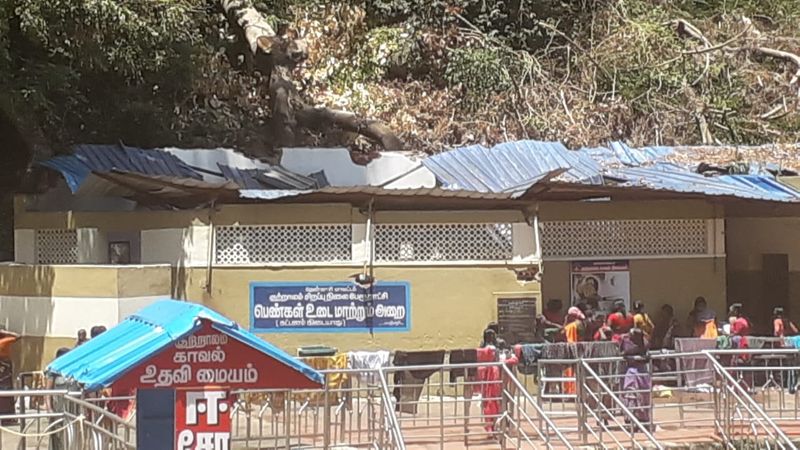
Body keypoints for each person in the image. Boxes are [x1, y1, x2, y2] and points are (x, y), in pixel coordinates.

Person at [620, 328, 652, 429]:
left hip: (642, 371)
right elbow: (623, 352)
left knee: (643, 395)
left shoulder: (644, 343)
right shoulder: (627, 342)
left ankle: (643, 420)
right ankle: (630, 420)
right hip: (631, 370)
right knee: (630, 395)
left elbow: (646, 356)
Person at [46, 348, 71, 450]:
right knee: (57, 437)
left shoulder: (72, 370)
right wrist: (49, 409)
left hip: (71, 410)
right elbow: (47, 392)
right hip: (58, 410)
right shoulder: (53, 371)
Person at [561, 307, 585, 395]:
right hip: (580, 350)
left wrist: (565, 321)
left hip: (571, 352)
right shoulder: (581, 324)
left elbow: (562, 332)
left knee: (571, 372)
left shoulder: (572, 326)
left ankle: (571, 392)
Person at [0, 329, 19, 423]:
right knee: (6, 391)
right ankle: (7, 417)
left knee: (5, 391)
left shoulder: (4, 341)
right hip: (5, 367)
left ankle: (6, 416)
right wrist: (7, 333)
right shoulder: (4, 341)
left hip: (4, 367)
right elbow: (18, 336)